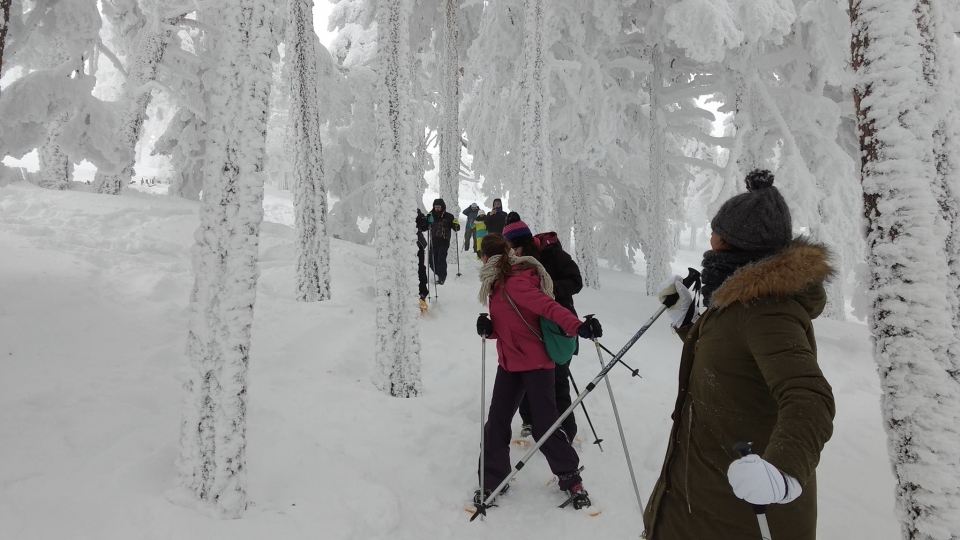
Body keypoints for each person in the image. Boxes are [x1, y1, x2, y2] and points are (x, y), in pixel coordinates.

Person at [642, 170, 836, 540]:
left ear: (730, 244)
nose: (709, 236)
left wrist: (783, 471)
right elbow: (731, 361)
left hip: (740, 514)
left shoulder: (767, 311)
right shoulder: (737, 300)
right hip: (700, 490)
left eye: (716, 230)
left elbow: (809, 396)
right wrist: (688, 321)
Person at [474, 233, 603, 510]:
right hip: (509, 364)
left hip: (536, 364)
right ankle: (492, 481)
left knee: (545, 425)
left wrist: (578, 326)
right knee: (496, 423)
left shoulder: (515, 282)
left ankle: (571, 479)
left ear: (488, 257)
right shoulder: (495, 285)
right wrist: (490, 328)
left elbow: (548, 307)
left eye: (481, 256)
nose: (480, 261)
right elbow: (512, 323)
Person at [502, 213, 584, 442]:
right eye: (511, 249)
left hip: (558, 327)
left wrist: (546, 289)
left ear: (526, 242)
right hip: (529, 328)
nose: (514, 254)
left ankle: (566, 430)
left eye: (517, 247)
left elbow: (576, 281)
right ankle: (529, 421)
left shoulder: (553, 254)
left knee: (558, 381)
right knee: (528, 378)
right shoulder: (514, 262)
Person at [427, 198, 460, 285]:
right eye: (435, 207)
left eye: (439, 207)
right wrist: (426, 221)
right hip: (433, 241)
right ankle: (437, 274)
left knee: (441, 259)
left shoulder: (448, 216)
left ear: (442, 207)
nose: (437, 208)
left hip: (443, 240)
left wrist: (456, 224)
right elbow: (425, 226)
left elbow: (456, 228)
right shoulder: (430, 215)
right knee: (431, 261)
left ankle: (442, 277)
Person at [416, 208, 430, 307]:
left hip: (418, 245)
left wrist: (426, 220)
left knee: (420, 268)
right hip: (402, 247)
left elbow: (424, 226)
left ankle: (422, 294)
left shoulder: (415, 211)